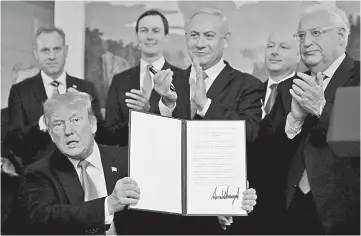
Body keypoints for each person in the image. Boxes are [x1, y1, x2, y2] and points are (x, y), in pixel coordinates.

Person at [154, 8, 263, 233]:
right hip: (171, 212)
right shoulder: (169, 81)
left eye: (209, 36)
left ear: (226, 40)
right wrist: (167, 105)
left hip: (223, 213)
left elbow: (250, 134)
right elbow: (152, 144)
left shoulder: (248, 85)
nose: (200, 43)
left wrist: (205, 105)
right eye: (194, 35)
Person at [262, 4, 360, 234]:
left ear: (341, 36)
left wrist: (321, 108)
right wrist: (293, 121)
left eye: (316, 33)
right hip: (289, 212)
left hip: (346, 216)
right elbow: (265, 151)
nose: (306, 42)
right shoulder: (288, 87)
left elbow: (355, 142)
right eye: (301, 35)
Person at [11, 91, 140, 235]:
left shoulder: (127, 159)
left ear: (93, 125)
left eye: (75, 120)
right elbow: (44, 218)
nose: (68, 131)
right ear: (52, 135)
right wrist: (108, 205)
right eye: (58, 124)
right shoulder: (38, 172)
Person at [7, 26, 102, 166]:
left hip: (79, 173)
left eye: (57, 49)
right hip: (37, 176)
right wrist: (42, 123)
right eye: (45, 50)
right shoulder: (20, 91)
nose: (52, 56)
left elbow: (102, 136)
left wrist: (84, 111)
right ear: (36, 53)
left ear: (66, 51)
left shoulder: (86, 89)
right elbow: (14, 143)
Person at [247, 30, 301, 234]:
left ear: (299, 55)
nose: (274, 52)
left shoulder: (305, 94)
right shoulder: (250, 92)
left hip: (289, 204)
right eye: (270, 46)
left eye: (283, 47)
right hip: (249, 203)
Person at [102, 9, 181, 147]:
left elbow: (183, 130)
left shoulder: (182, 78)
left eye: (156, 31)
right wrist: (136, 118)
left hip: (168, 159)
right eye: (144, 30)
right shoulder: (119, 81)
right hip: (128, 162)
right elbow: (108, 134)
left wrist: (148, 113)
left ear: (166, 36)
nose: (149, 36)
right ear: (137, 36)